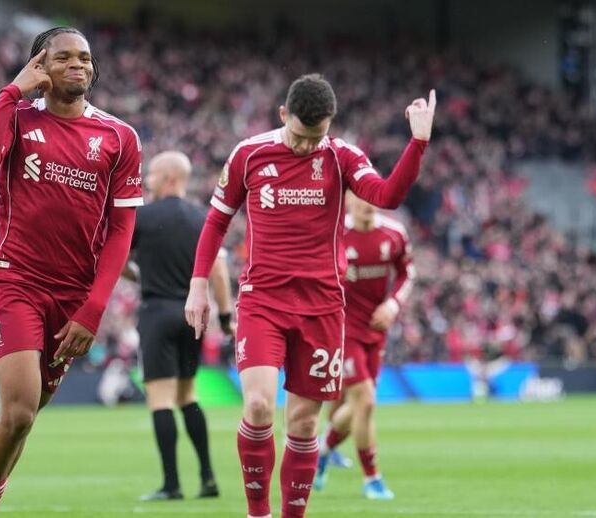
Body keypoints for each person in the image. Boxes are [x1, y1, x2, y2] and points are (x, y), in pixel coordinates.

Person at [185, 74, 435, 518]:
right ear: (283, 115)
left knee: (302, 423)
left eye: (315, 138)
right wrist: (199, 285)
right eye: (299, 136)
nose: (306, 147)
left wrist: (417, 142)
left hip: (322, 306)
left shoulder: (340, 156)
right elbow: (216, 221)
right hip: (263, 300)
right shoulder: (250, 153)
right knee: (260, 405)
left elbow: (387, 195)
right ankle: (257, 512)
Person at [0, 27, 143, 518]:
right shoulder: (16, 117)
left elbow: (121, 233)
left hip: (74, 298)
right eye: (64, 57)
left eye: (85, 58)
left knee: (24, 419)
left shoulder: (119, 137)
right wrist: (12, 92)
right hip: (13, 280)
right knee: (16, 409)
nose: (78, 65)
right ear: (41, 66)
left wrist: (94, 309)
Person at [125, 151, 235, 501]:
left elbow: (115, 261)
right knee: (189, 395)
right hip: (192, 316)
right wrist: (224, 315)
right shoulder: (203, 218)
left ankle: (172, 484)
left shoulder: (141, 218)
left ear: (170, 178)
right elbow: (217, 270)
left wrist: (138, 275)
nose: (147, 181)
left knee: (160, 400)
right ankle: (208, 478)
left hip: (156, 312)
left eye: (153, 175)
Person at [314, 192, 415, 499]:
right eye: (360, 198)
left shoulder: (394, 234)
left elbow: (407, 273)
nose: (367, 204)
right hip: (343, 330)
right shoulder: (336, 234)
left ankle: (322, 450)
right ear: (348, 202)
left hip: (376, 331)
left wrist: (393, 305)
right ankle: (372, 479)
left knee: (358, 405)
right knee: (366, 401)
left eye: (372, 197)